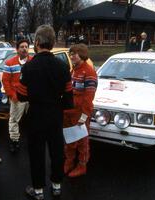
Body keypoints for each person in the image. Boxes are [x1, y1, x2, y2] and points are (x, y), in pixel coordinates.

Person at [16, 25, 73, 200]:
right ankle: (56, 186)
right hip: (55, 115)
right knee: (57, 151)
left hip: (36, 116)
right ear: (53, 42)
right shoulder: (63, 67)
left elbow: (21, 96)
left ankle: (38, 190)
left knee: (36, 152)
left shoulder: (28, 67)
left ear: (37, 42)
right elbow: (69, 99)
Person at [63, 43, 97, 178]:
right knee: (69, 139)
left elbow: (89, 97)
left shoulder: (89, 72)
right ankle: (69, 162)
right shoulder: (73, 70)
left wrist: (84, 115)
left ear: (82, 55)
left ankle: (82, 165)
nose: (71, 56)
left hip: (80, 113)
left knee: (82, 141)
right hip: (68, 112)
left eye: (74, 54)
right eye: (70, 54)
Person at [2, 39, 33, 153]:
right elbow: (6, 82)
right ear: (17, 49)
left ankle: (32, 141)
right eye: (22, 47)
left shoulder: (33, 61)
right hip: (17, 97)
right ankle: (14, 141)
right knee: (14, 120)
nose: (24, 49)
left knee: (32, 120)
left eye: (26, 46)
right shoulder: (10, 63)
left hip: (31, 97)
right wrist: (12, 95)